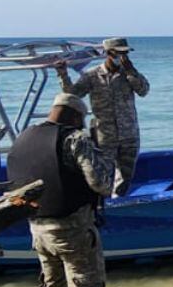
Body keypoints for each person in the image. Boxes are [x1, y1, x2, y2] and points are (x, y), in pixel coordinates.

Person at [9, 93, 133, 287]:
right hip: (72, 229)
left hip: (37, 229)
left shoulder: (23, 138)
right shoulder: (75, 139)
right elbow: (102, 184)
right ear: (76, 116)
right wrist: (104, 153)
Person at [58, 37, 149, 196]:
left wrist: (131, 71)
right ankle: (102, 204)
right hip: (105, 136)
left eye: (125, 53)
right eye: (118, 53)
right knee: (102, 177)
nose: (122, 57)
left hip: (129, 134)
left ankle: (119, 201)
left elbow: (143, 91)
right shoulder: (92, 75)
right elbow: (72, 94)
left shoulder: (129, 73)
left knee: (125, 178)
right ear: (108, 53)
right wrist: (63, 74)